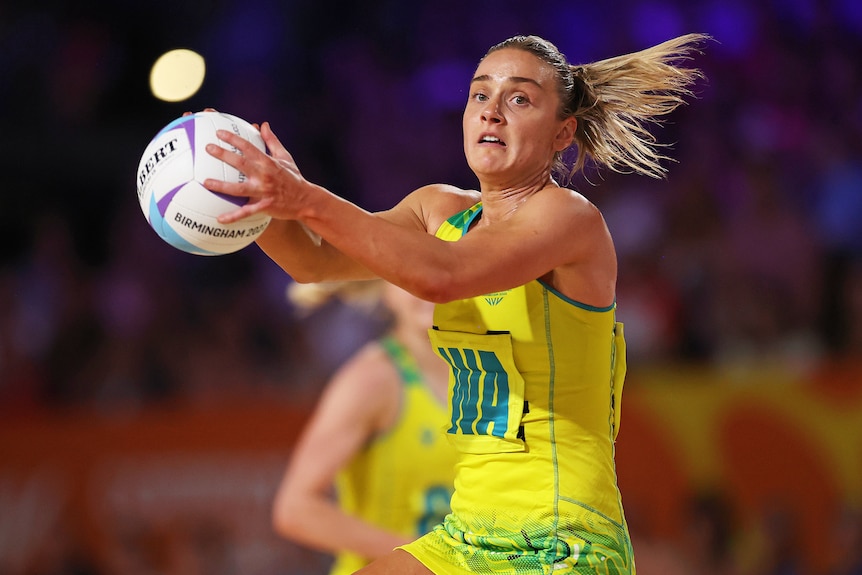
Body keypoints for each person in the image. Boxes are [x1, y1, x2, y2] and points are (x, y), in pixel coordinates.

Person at [204, 32, 707, 575]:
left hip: (562, 540)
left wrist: (304, 197)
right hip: (467, 534)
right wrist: (246, 193)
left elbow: (443, 275)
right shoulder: (436, 209)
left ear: (563, 132)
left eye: (519, 99)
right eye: (479, 95)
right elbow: (315, 263)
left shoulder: (569, 218)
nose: (491, 112)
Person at [271, 280, 456, 575]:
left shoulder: (493, 372)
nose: (428, 291)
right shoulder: (372, 379)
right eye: (410, 277)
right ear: (384, 288)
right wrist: (422, 559)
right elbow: (295, 509)